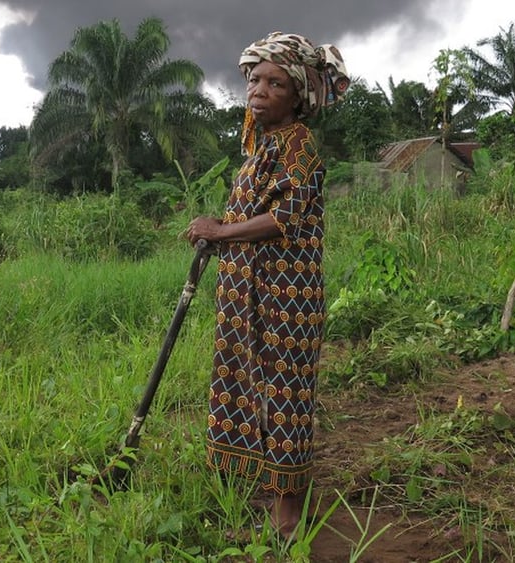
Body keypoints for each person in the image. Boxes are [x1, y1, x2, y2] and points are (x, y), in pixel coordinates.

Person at [185, 31, 348, 539]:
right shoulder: (261, 146)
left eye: (274, 83)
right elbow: (249, 211)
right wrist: (219, 228)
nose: (259, 89)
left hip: (285, 296)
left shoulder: (298, 145)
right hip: (248, 291)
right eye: (255, 79)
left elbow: (285, 218)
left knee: (285, 391)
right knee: (244, 380)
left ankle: (288, 504)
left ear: (297, 95)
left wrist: (221, 231)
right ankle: (243, 480)